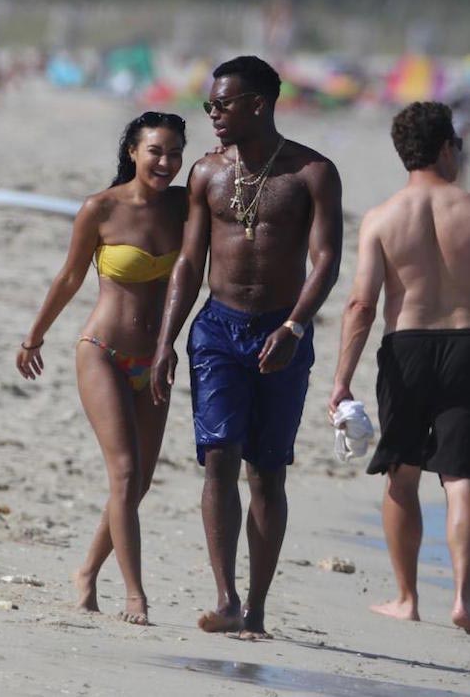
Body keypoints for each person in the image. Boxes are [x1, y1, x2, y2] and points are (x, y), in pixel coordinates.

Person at [151, 55, 343, 639]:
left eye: (222, 105)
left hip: (282, 328)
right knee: (219, 459)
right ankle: (226, 597)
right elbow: (189, 262)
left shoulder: (312, 173)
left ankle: (257, 608)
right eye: (209, 105)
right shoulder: (207, 174)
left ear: (258, 104)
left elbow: (327, 260)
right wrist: (168, 340)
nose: (211, 115)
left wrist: (295, 328)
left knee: (267, 472)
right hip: (218, 329)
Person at [16, 112, 187, 625]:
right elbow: (69, 277)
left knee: (138, 485)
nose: (166, 161)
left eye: (175, 152)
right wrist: (34, 336)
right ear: (133, 152)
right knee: (125, 471)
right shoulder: (102, 208)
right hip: (103, 350)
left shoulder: (185, 206)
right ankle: (135, 595)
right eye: (155, 150)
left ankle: (87, 571)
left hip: (155, 360)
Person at [329, 101, 470, 632]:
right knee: (461, 478)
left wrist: (342, 380)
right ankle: (463, 597)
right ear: (444, 149)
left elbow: (362, 304)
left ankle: (407, 598)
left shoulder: (382, 218)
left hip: (406, 347)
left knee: (402, 473)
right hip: (466, 344)